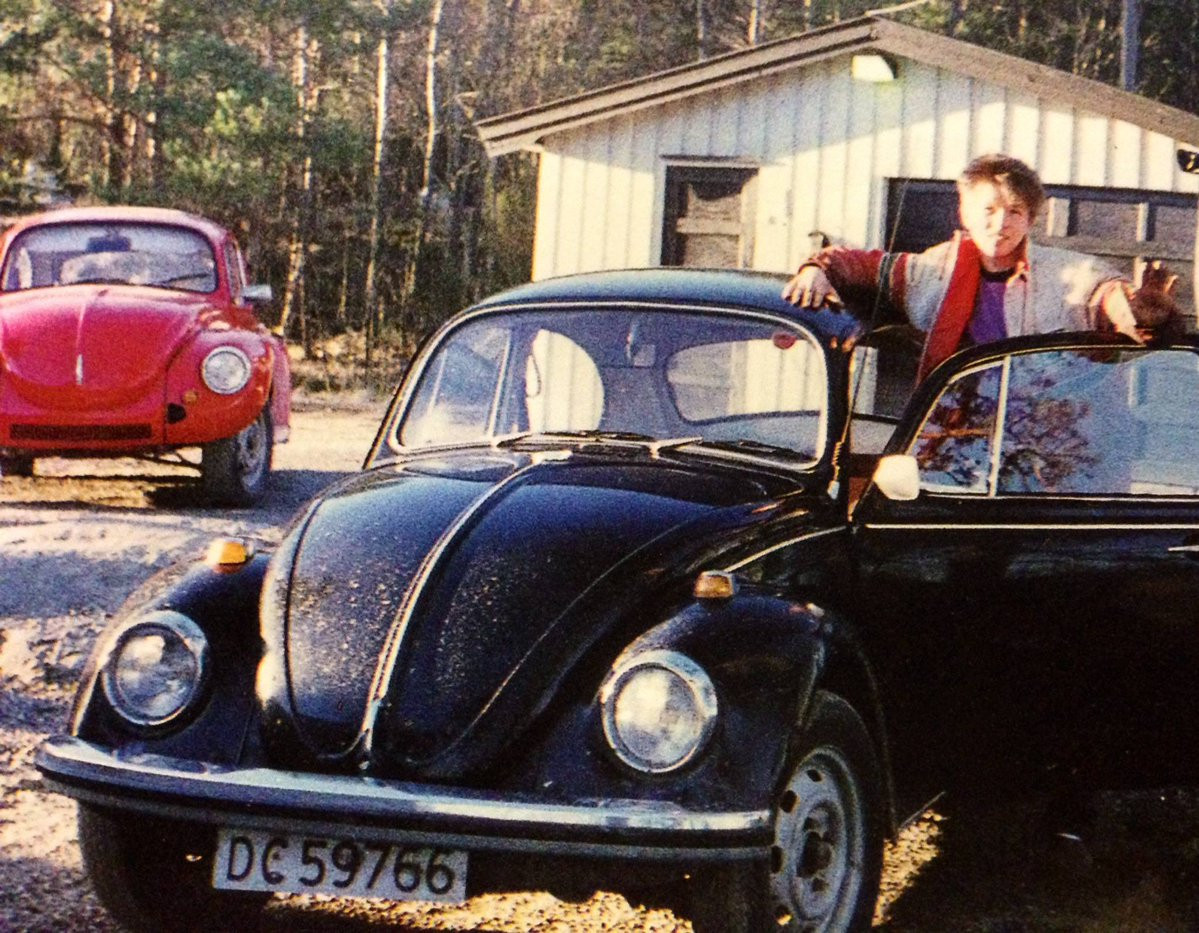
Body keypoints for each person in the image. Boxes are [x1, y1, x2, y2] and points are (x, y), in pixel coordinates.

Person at [781, 153, 1182, 379]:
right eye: (989, 209)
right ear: (965, 211)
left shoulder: (1067, 274)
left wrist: (1144, 315)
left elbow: (1109, 298)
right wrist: (817, 268)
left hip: (1047, 436)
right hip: (953, 440)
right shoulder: (931, 270)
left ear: (1030, 219)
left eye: (1015, 211)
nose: (1001, 223)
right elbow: (859, 265)